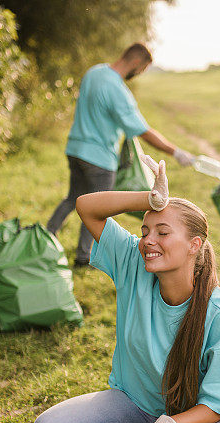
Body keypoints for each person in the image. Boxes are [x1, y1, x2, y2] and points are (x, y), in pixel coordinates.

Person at [30, 155, 220, 423]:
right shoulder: (132, 262)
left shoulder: (218, 312)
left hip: (188, 417)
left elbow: (218, 401)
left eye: (162, 232)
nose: (148, 240)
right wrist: (150, 198)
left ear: (195, 245)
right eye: (145, 231)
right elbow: (86, 206)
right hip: (132, 403)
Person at [47, 42, 196, 268]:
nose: (138, 74)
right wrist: (176, 152)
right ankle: (82, 257)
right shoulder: (117, 89)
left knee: (72, 198)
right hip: (98, 157)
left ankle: (46, 238)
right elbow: (143, 131)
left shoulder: (94, 72)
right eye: (142, 69)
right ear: (136, 62)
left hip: (75, 149)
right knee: (100, 209)